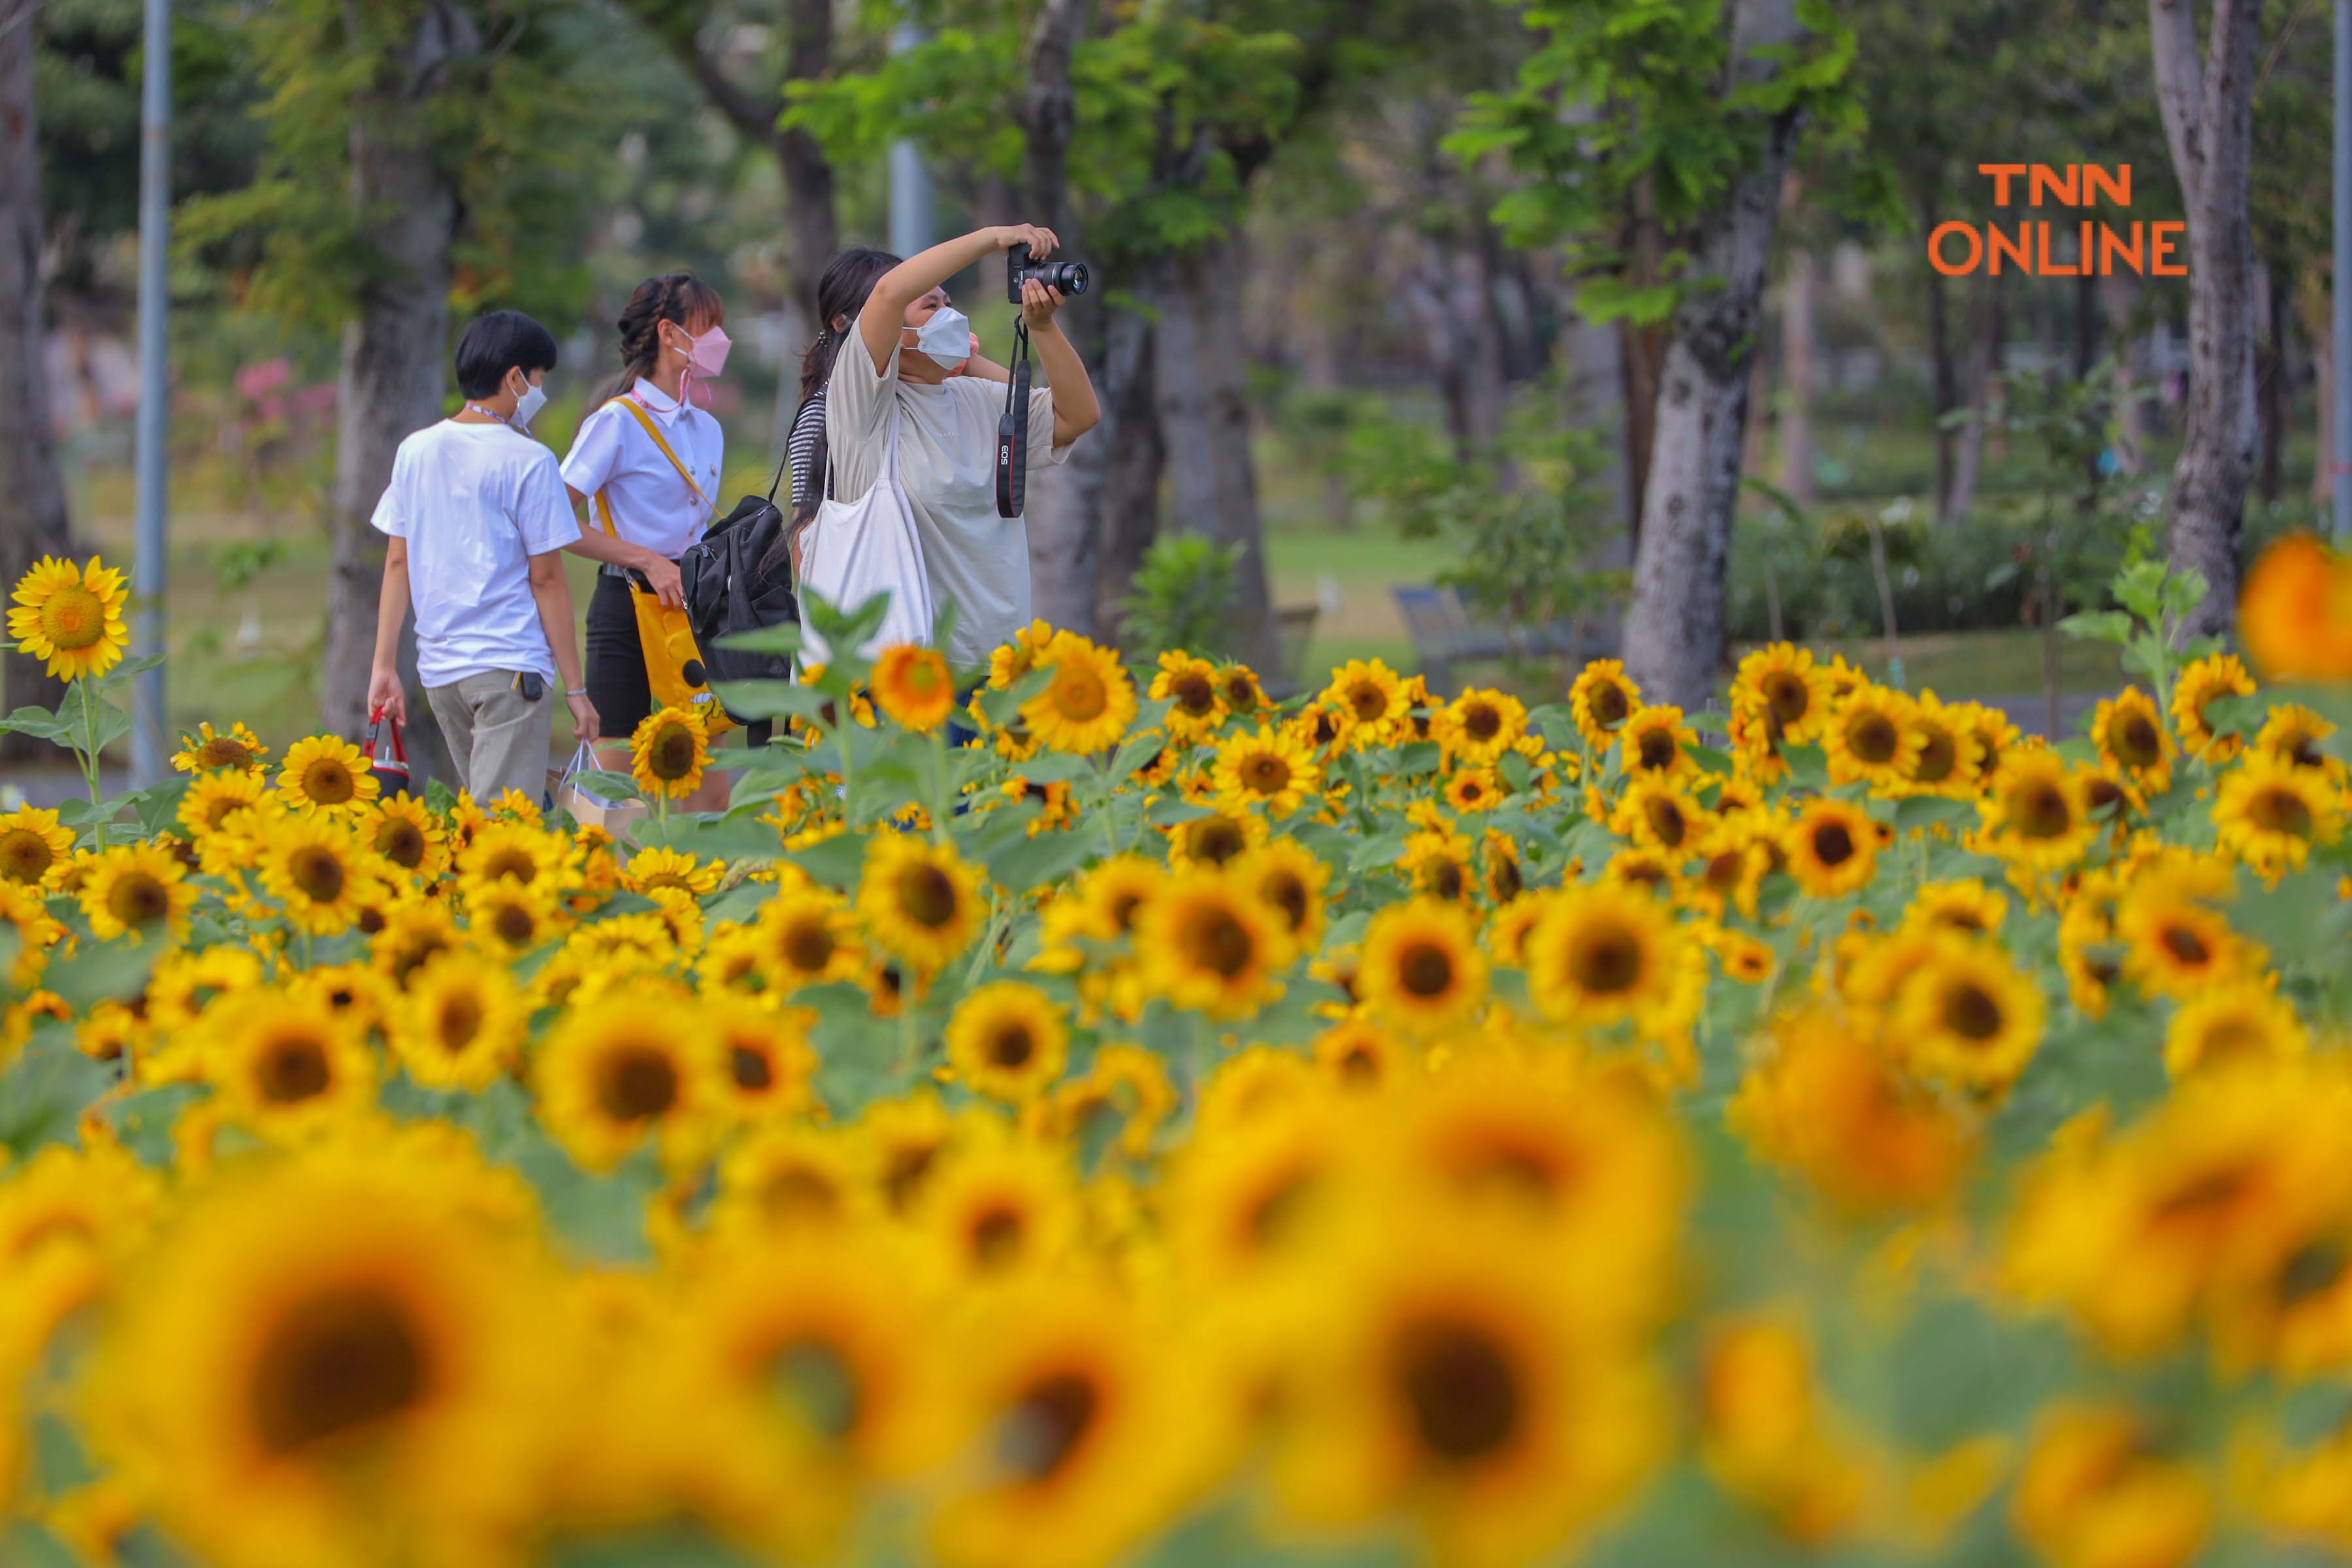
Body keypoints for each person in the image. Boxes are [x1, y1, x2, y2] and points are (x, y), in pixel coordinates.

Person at [797, 227, 1100, 673]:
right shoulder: (862, 408)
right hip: (908, 673)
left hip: (997, 665)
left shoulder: (978, 398)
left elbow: (1078, 415)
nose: (948, 316)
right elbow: (888, 294)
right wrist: (992, 238)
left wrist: (1043, 327)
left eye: (949, 305)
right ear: (886, 329)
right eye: (930, 305)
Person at [367, 310, 596, 806]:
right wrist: (577, 690)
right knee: (501, 834)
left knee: (483, 820)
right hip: (509, 670)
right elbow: (548, 581)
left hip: (442, 673)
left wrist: (384, 666)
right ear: (515, 378)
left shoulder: (416, 450)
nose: (540, 392)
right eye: (539, 380)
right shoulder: (529, 460)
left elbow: (396, 563)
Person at [559, 274, 732, 811]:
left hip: (693, 609)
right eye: (710, 327)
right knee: (615, 785)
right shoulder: (616, 421)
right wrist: (646, 560)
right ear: (669, 332)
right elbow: (555, 519)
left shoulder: (708, 429)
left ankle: (710, 886)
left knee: (707, 764)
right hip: (626, 606)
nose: (720, 340)